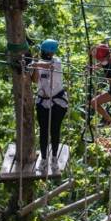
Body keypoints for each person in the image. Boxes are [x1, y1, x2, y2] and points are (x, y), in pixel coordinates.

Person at [31, 39, 68, 172]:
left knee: (55, 130)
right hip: (43, 102)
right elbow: (35, 80)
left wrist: (35, 63)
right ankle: (44, 159)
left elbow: (49, 67)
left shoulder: (56, 62)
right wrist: (34, 67)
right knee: (43, 131)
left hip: (57, 102)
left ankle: (54, 158)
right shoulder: (39, 64)